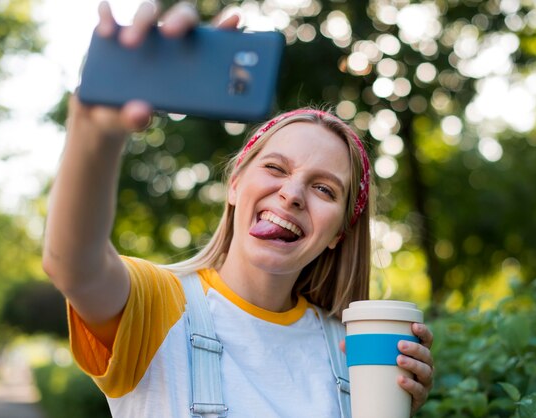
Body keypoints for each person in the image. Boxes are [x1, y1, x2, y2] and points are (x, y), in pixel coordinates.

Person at [42, 1, 435, 417]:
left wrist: (398, 405)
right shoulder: (156, 305)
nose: (293, 193)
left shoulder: (350, 348)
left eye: (324, 188)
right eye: (275, 168)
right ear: (235, 185)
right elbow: (72, 263)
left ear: (340, 231)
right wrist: (95, 127)